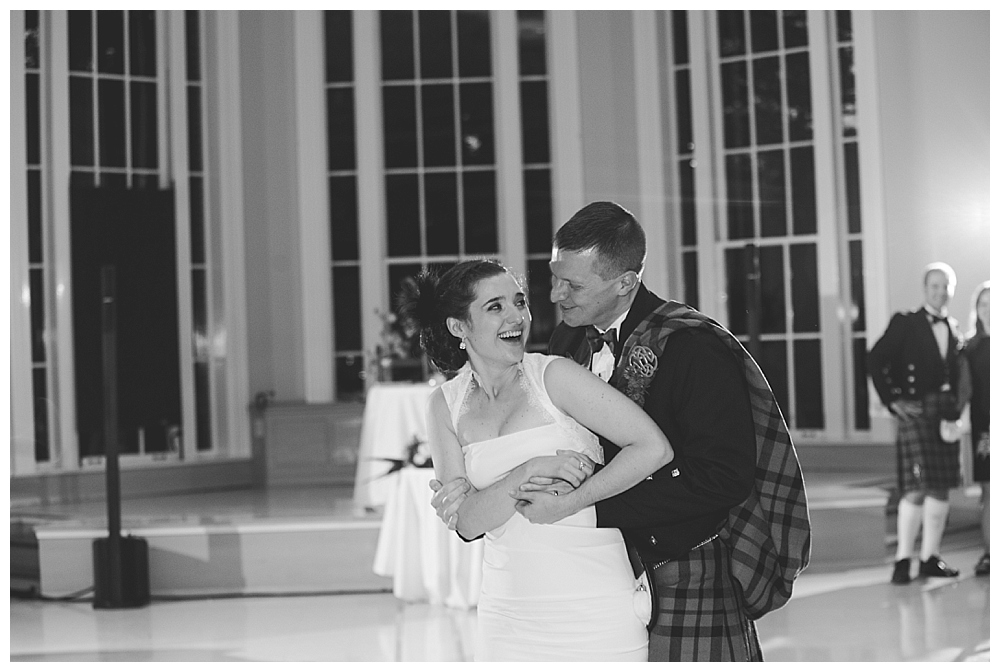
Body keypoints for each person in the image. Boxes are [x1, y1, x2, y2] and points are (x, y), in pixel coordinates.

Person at [432, 202, 810, 661]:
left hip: (686, 563)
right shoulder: (568, 342)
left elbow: (723, 478)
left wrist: (584, 508)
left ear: (625, 283)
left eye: (572, 284)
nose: (555, 296)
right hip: (606, 567)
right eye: (554, 278)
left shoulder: (693, 347)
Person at [399, 258, 674, 661]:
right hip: (507, 615)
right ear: (458, 327)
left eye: (519, 301)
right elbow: (469, 522)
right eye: (495, 307)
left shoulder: (556, 377)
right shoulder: (445, 405)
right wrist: (530, 471)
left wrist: (573, 499)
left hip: (597, 608)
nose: (517, 317)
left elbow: (653, 447)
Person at [868, 262, 965, 585]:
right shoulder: (905, 323)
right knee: (916, 487)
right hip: (917, 412)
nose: (940, 292)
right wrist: (893, 401)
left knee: (940, 486)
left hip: (944, 414)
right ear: (926, 289)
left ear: (951, 290)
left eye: (945, 286)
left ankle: (930, 558)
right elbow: (875, 358)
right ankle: (902, 560)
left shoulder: (953, 328)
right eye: (934, 286)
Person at [961, 282, 989, 576]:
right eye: (983, 305)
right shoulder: (970, 347)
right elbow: (962, 390)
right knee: (990, 493)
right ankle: (990, 554)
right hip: (985, 433)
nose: (989, 309)